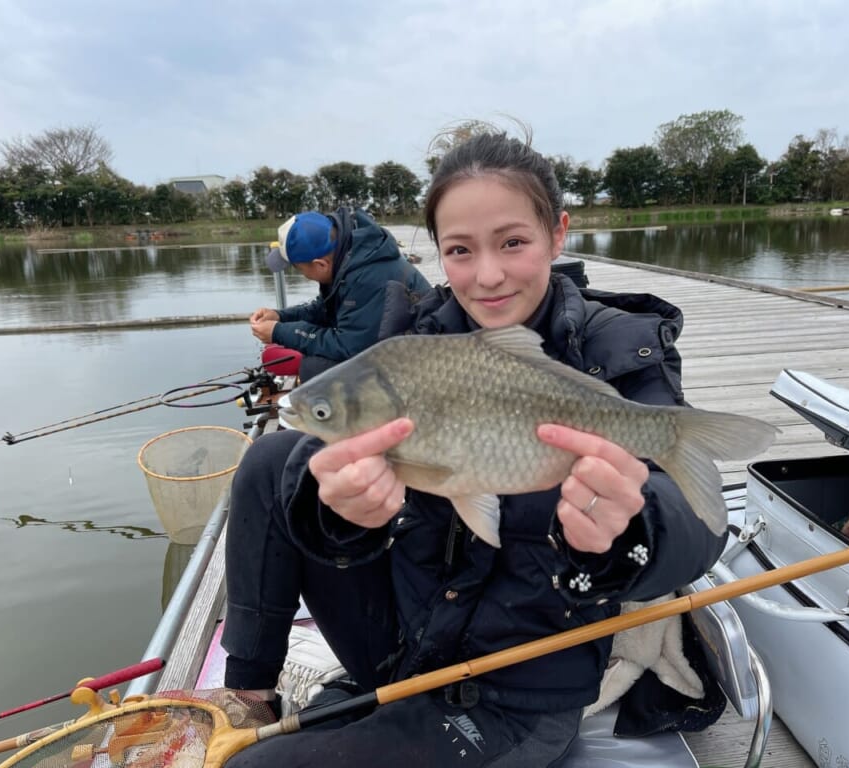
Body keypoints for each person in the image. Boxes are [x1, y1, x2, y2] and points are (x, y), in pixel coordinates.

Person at [222, 130, 726, 768]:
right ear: (439, 252)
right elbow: (320, 488)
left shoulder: (617, 352)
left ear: (558, 233)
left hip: (518, 693)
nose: (487, 275)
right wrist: (338, 515)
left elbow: (699, 528)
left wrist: (631, 530)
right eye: (460, 250)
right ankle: (248, 691)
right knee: (275, 460)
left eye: (513, 242)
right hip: (402, 647)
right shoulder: (413, 341)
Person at [250, 206, 431, 381]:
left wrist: (279, 332)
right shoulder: (351, 259)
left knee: (314, 368)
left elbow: (349, 346)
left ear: (321, 264)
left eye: (298, 269)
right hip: (388, 348)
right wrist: (280, 317)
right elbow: (324, 309)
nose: (303, 276)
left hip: (418, 364)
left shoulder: (367, 277)